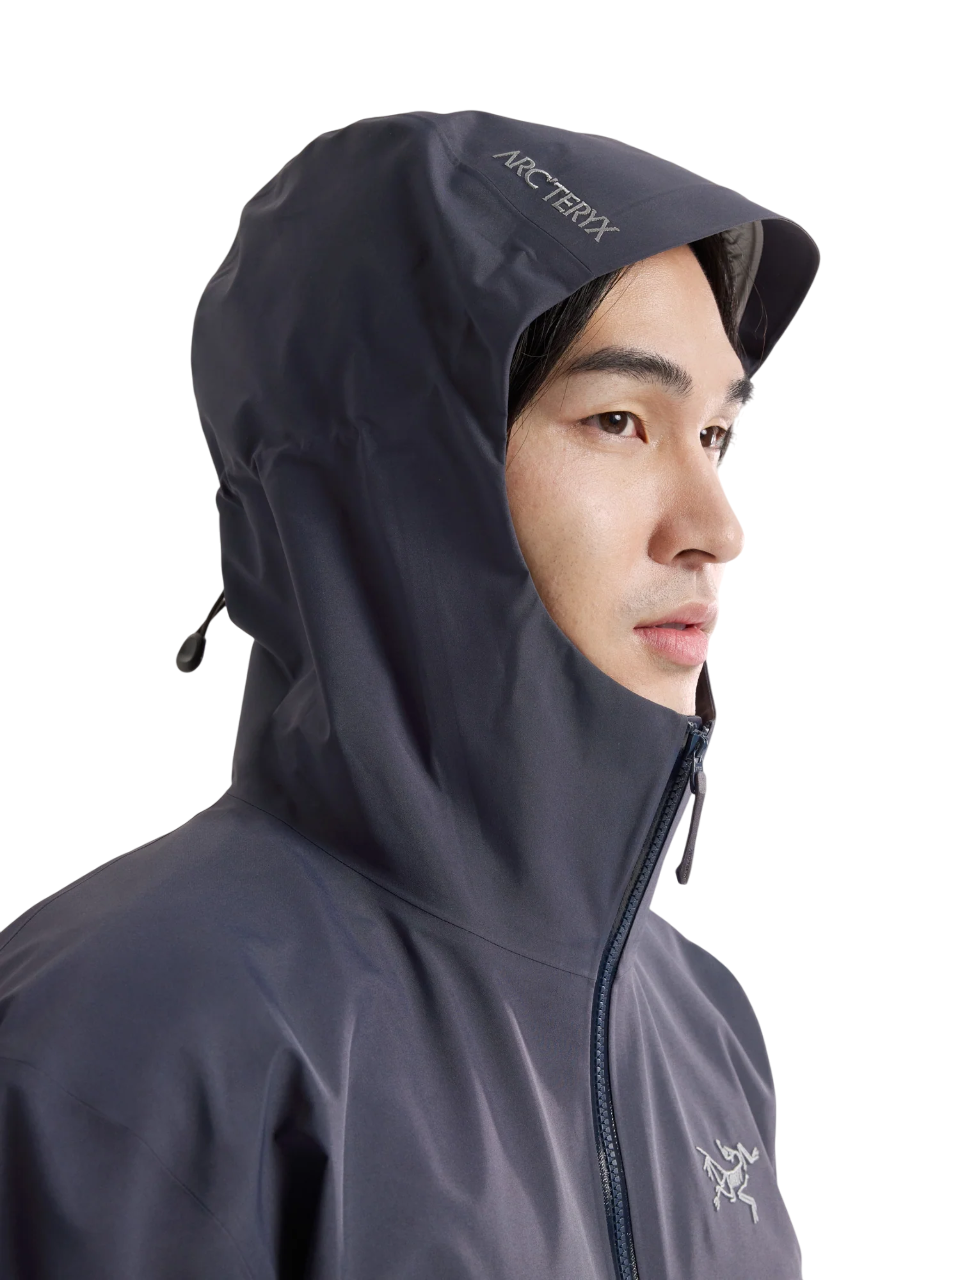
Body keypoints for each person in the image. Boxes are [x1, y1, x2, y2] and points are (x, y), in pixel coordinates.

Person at [0, 110, 818, 1278]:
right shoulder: (127, 1032)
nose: (715, 526)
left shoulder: (704, 1026)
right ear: (405, 479)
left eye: (717, 434)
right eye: (620, 421)